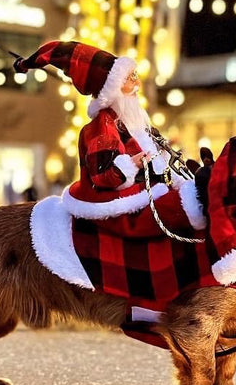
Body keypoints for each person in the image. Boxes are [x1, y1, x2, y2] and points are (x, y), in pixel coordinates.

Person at [14, 41, 205, 238]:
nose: (137, 84)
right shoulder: (103, 127)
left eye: (135, 76)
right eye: (130, 78)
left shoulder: (135, 123)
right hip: (125, 203)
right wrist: (131, 164)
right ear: (113, 88)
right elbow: (103, 174)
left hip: (152, 192)